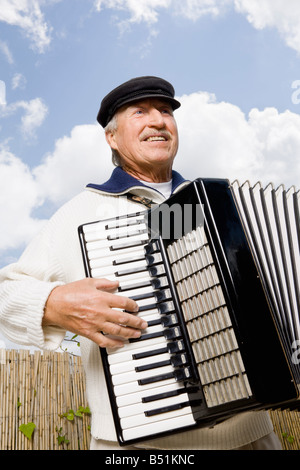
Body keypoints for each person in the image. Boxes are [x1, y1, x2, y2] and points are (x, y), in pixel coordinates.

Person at [0, 76, 281, 450]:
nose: (158, 120)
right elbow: (6, 292)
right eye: (140, 112)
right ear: (112, 137)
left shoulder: (221, 208)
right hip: (138, 447)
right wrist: (53, 304)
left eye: (165, 111)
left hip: (251, 436)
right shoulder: (77, 214)